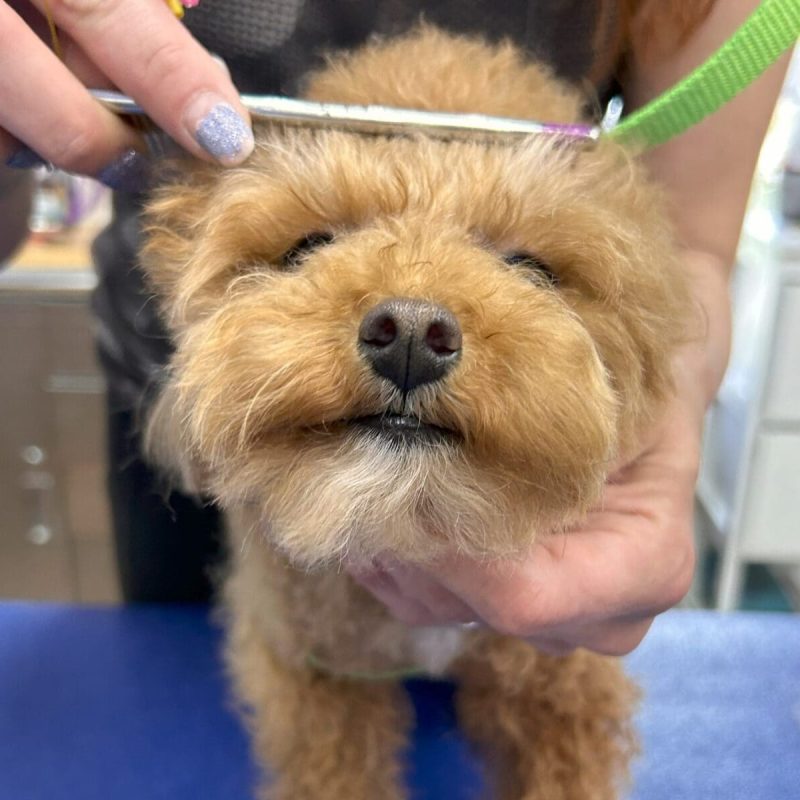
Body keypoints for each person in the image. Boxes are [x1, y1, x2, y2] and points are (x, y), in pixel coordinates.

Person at [1, 0, 790, 653]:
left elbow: (687, 250)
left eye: (530, 268)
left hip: (537, 477)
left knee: (552, 694)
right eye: (310, 246)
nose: (410, 323)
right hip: (238, 425)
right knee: (233, 679)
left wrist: (665, 433)